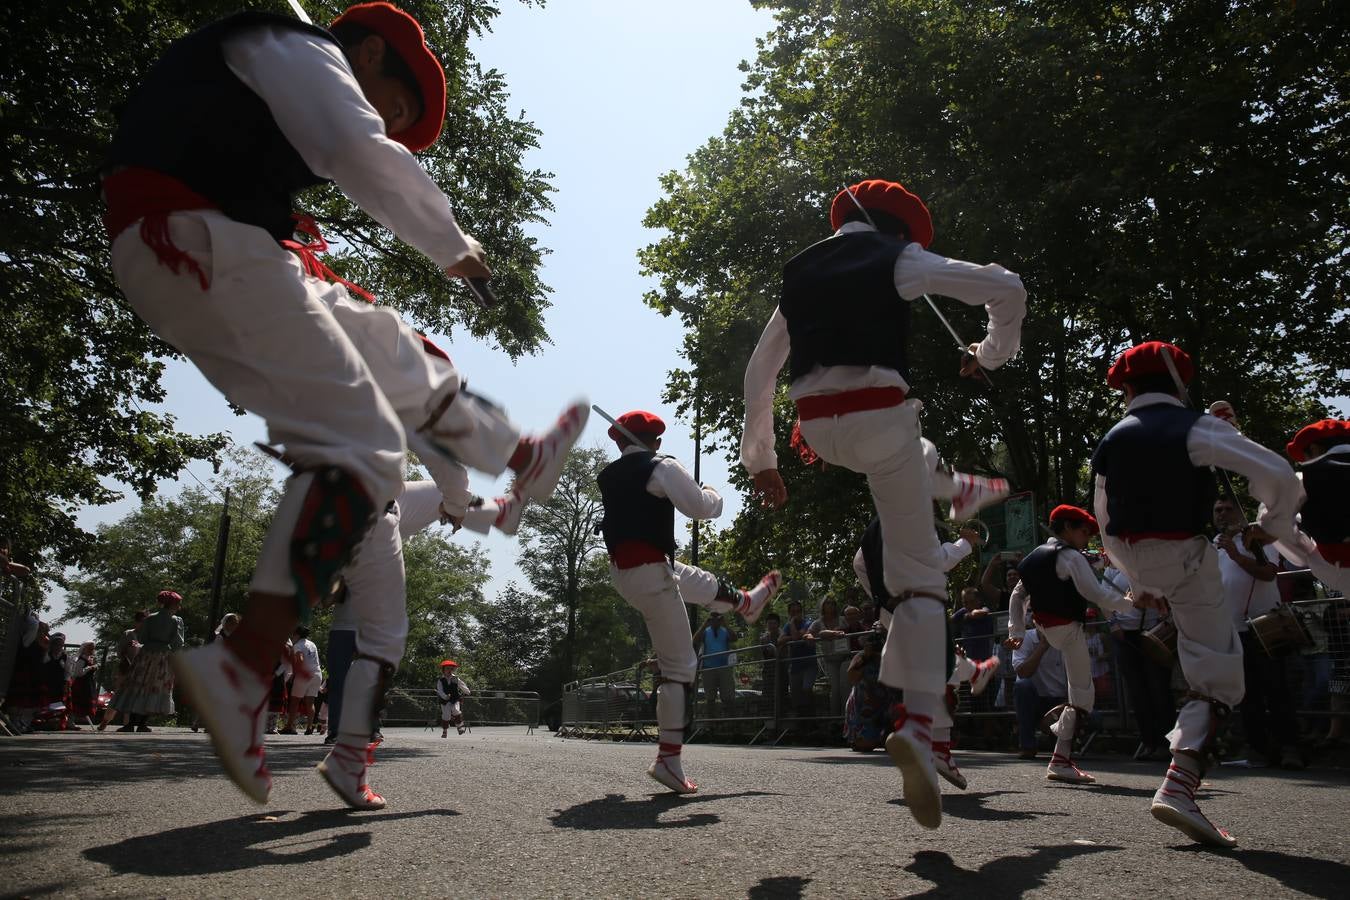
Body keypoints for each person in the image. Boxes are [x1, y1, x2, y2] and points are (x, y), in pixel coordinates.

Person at [103, 2, 588, 803]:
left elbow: (359, 157)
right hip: (187, 233)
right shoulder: (294, 46)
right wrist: (448, 240)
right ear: (368, 52)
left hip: (219, 239)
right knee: (365, 443)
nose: (389, 131)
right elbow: (353, 144)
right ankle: (243, 665)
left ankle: (513, 449)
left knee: (382, 338)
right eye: (396, 109)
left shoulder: (271, 69)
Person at [742, 171, 1026, 827]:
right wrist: (990, 352)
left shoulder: (800, 271)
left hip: (818, 428)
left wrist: (762, 458)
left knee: (910, 461)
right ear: (900, 230)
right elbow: (1005, 286)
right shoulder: (897, 256)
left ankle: (952, 486)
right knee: (920, 577)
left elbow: (760, 369)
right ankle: (920, 727)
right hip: (880, 416)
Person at [1092, 340, 1304, 848]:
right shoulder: (1193, 427)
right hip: (1188, 555)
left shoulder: (1112, 438)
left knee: (1201, 657)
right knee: (1219, 670)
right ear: (1178, 382)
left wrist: (1142, 582)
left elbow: (1103, 520)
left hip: (1136, 557)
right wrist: (1271, 527)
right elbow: (1278, 474)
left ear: (1127, 386)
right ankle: (1181, 785)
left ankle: (1182, 774)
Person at [597, 409, 780, 794]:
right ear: (656, 441)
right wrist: (714, 493)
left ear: (620, 441)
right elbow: (701, 508)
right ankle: (668, 759)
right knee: (681, 666)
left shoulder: (609, 475)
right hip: (649, 571)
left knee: (693, 579)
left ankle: (745, 602)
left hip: (627, 572)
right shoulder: (661, 466)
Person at [851, 514, 1000, 790]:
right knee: (940, 673)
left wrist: (881, 597)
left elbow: (860, 563)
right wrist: (965, 543)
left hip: (891, 611)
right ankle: (928, 742)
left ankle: (969, 677)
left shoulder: (877, 524)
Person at [1007, 505, 1133, 784]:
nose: (1087, 538)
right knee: (1082, 696)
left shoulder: (1034, 558)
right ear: (1067, 529)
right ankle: (1060, 757)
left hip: (1043, 627)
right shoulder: (1070, 556)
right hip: (1068, 629)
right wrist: (1129, 602)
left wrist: (1016, 630)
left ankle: (1059, 739)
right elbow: (1095, 592)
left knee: (1079, 693)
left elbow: (1017, 596)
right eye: (1084, 532)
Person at [1212, 497, 1300, 768]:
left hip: (1265, 624)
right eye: (1218, 510)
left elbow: (1268, 573)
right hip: (1234, 629)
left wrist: (1236, 555)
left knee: (1277, 690)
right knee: (1247, 694)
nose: (1223, 514)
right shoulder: (1213, 545)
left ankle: (1290, 748)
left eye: (1229, 509)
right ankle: (1259, 749)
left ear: (1241, 512)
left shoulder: (1258, 538)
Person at [1105, 560, 1174, 761]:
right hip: (1124, 635)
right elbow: (1104, 600)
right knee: (1137, 691)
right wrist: (1113, 625)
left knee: (1159, 687)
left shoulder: (1148, 561)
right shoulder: (1111, 568)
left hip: (1151, 631)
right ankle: (1149, 742)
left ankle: (1167, 743)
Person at [1273, 419, 1350, 597]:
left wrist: (1305, 554)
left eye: (1306, 457)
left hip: (1339, 567)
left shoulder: (1305, 478)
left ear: (1314, 449)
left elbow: (1275, 522)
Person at [112, 591, 185, 732]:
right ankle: (142, 724)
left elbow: (143, 638)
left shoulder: (150, 618)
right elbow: (178, 643)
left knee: (138, 686)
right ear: (174, 604)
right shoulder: (176, 620)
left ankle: (130, 724)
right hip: (162, 656)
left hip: (145, 655)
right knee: (155, 687)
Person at [1012, 625, 1068, 759]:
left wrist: (1059, 711)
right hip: (1035, 702)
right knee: (1022, 685)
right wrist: (1043, 646)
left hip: (1059, 702)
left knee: (1095, 718)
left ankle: (1062, 741)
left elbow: (1076, 679)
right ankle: (1027, 745)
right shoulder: (1024, 639)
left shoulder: (1066, 641)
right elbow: (1023, 672)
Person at [98, 610, 147, 732]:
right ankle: (106, 721)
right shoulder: (129, 634)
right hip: (127, 669)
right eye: (142, 621)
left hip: (141, 671)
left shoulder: (147, 636)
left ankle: (129, 724)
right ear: (137, 622)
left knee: (137, 697)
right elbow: (120, 652)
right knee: (120, 695)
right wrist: (127, 654)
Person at [844, 627, 891, 751]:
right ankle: (861, 738)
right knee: (865, 745)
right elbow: (852, 677)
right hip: (864, 705)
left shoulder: (891, 656)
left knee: (892, 744)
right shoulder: (861, 656)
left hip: (886, 704)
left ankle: (884, 735)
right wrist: (865, 658)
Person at [809, 597, 851, 716]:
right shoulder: (818, 623)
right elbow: (808, 634)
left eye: (833, 603)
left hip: (845, 658)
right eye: (828, 603)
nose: (830, 605)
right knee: (835, 689)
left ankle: (846, 716)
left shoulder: (843, 619)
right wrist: (811, 637)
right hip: (830, 660)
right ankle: (835, 717)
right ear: (823, 606)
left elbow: (853, 626)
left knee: (845, 688)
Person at [694, 612, 738, 718]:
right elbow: (695, 640)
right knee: (710, 698)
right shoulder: (705, 631)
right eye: (712, 619)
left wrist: (725, 624)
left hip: (724, 667)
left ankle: (732, 723)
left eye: (717, 619)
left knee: (728, 697)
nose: (715, 621)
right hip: (708, 668)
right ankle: (711, 725)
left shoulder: (725, 631)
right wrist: (704, 624)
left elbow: (734, 638)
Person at [283, 626, 322, 735]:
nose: (292, 636)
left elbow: (300, 659)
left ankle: (289, 726)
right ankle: (309, 727)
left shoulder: (298, 645)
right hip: (317, 674)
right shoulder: (312, 644)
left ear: (297, 635)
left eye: (293, 634)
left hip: (305, 675)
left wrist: (295, 673)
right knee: (310, 701)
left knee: (295, 700)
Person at [68, 642, 100, 729]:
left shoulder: (90, 659)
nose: (91, 650)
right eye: (89, 648)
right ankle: (70, 723)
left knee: (83, 703)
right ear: (84, 649)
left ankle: (71, 723)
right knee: (76, 703)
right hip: (81, 685)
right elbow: (79, 673)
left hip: (87, 684)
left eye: (93, 648)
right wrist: (90, 668)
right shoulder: (81, 660)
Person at [435, 659, 471, 737]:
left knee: (456, 711)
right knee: (446, 715)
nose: (449, 670)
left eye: (451, 669)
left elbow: (462, 685)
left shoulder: (456, 678)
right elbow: (440, 691)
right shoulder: (440, 680)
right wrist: (445, 696)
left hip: (455, 699)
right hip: (445, 701)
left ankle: (460, 727)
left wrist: (467, 691)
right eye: (447, 669)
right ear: (443, 670)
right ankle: (445, 731)